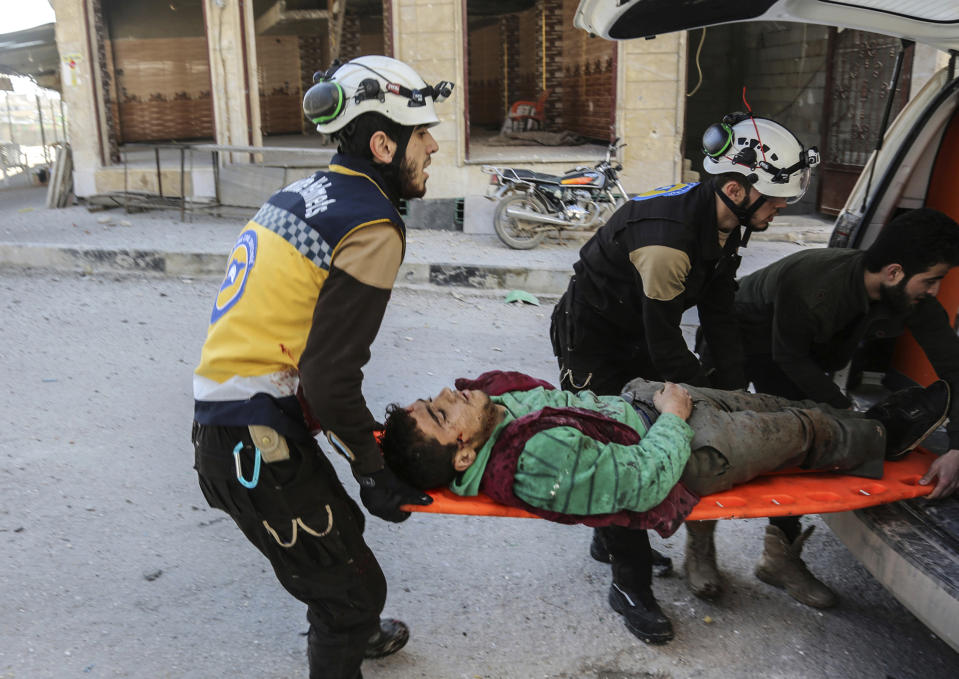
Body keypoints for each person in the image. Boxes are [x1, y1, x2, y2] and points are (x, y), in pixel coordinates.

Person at [190, 56, 454, 679]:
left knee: (341, 541)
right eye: (422, 135)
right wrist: (372, 467)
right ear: (384, 143)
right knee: (352, 590)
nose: (434, 146)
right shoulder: (371, 223)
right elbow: (331, 378)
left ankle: (352, 628)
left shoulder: (308, 192)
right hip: (252, 441)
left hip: (228, 428)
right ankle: (349, 625)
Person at [378, 370, 949, 643]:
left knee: (776, 403)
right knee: (801, 431)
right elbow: (643, 484)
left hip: (645, 410)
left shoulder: (490, 415)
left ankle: (865, 424)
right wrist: (673, 415)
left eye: (433, 399)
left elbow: (527, 395)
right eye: (441, 413)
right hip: (686, 451)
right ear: (462, 455)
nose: (448, 396)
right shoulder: (532, 464)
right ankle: (884, 435)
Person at [549, 112, 820, 639]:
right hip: (596, 343)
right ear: (737, 188)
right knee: (622, 447)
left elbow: (719, 305)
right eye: (777, 197)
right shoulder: (667, 244)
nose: (783, 206)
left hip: (640, 329)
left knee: (660, 418)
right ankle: (628, 587)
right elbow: (666, 345)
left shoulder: (726, 220)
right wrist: (705, 397)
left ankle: (609, 539)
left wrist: (735, 385)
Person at [692, 207, 959, 609]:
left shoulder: (910, 298)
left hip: (798, 352)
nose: (935, 290)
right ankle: (699, 548)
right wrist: (847, 412)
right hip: (738, 333)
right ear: (893, 272)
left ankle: (779, 559)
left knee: (798, 450)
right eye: (932, 280)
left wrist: (957, 447)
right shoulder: (817, 284)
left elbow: (954, 369)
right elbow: (789, 358)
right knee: (711, 446)